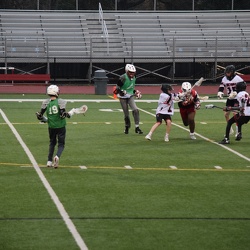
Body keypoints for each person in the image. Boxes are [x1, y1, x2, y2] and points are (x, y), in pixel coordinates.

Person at [36, 84, 72, 168]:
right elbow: (62, 114)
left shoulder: (46, 102)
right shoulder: (61, 101)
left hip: (51, 126)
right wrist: (68, 114)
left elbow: (40, 116)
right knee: (61, 144)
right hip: (61, 126)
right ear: (56, 92)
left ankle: (49, 161)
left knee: (52, 143)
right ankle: (57, 156)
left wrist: (43, 118)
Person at [114, 64, 143, 134]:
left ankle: (137, 127)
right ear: (127, 71)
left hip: (130, 96)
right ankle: (127, 127)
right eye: (130, 72)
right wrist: (121, 92)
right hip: (122, 98)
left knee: (136, 110)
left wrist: (136, 92)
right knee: (126, 114)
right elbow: (115, 91)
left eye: (133, 72)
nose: (132, 74)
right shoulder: (122, 78)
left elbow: (131, 88)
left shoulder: (134, 77)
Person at [217, 65, 244, 135]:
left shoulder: (238, 79)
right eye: (226, 72)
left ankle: (238, 130)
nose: (227, 74)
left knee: (235, 114)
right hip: (230, 99)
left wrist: (236, 92)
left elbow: (243, 87)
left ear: (232, 72)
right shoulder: (224, 79)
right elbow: (222, 86)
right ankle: (230, 129)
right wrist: (220, 92)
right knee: (226, 114)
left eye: (228, 72)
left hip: (237, 99)